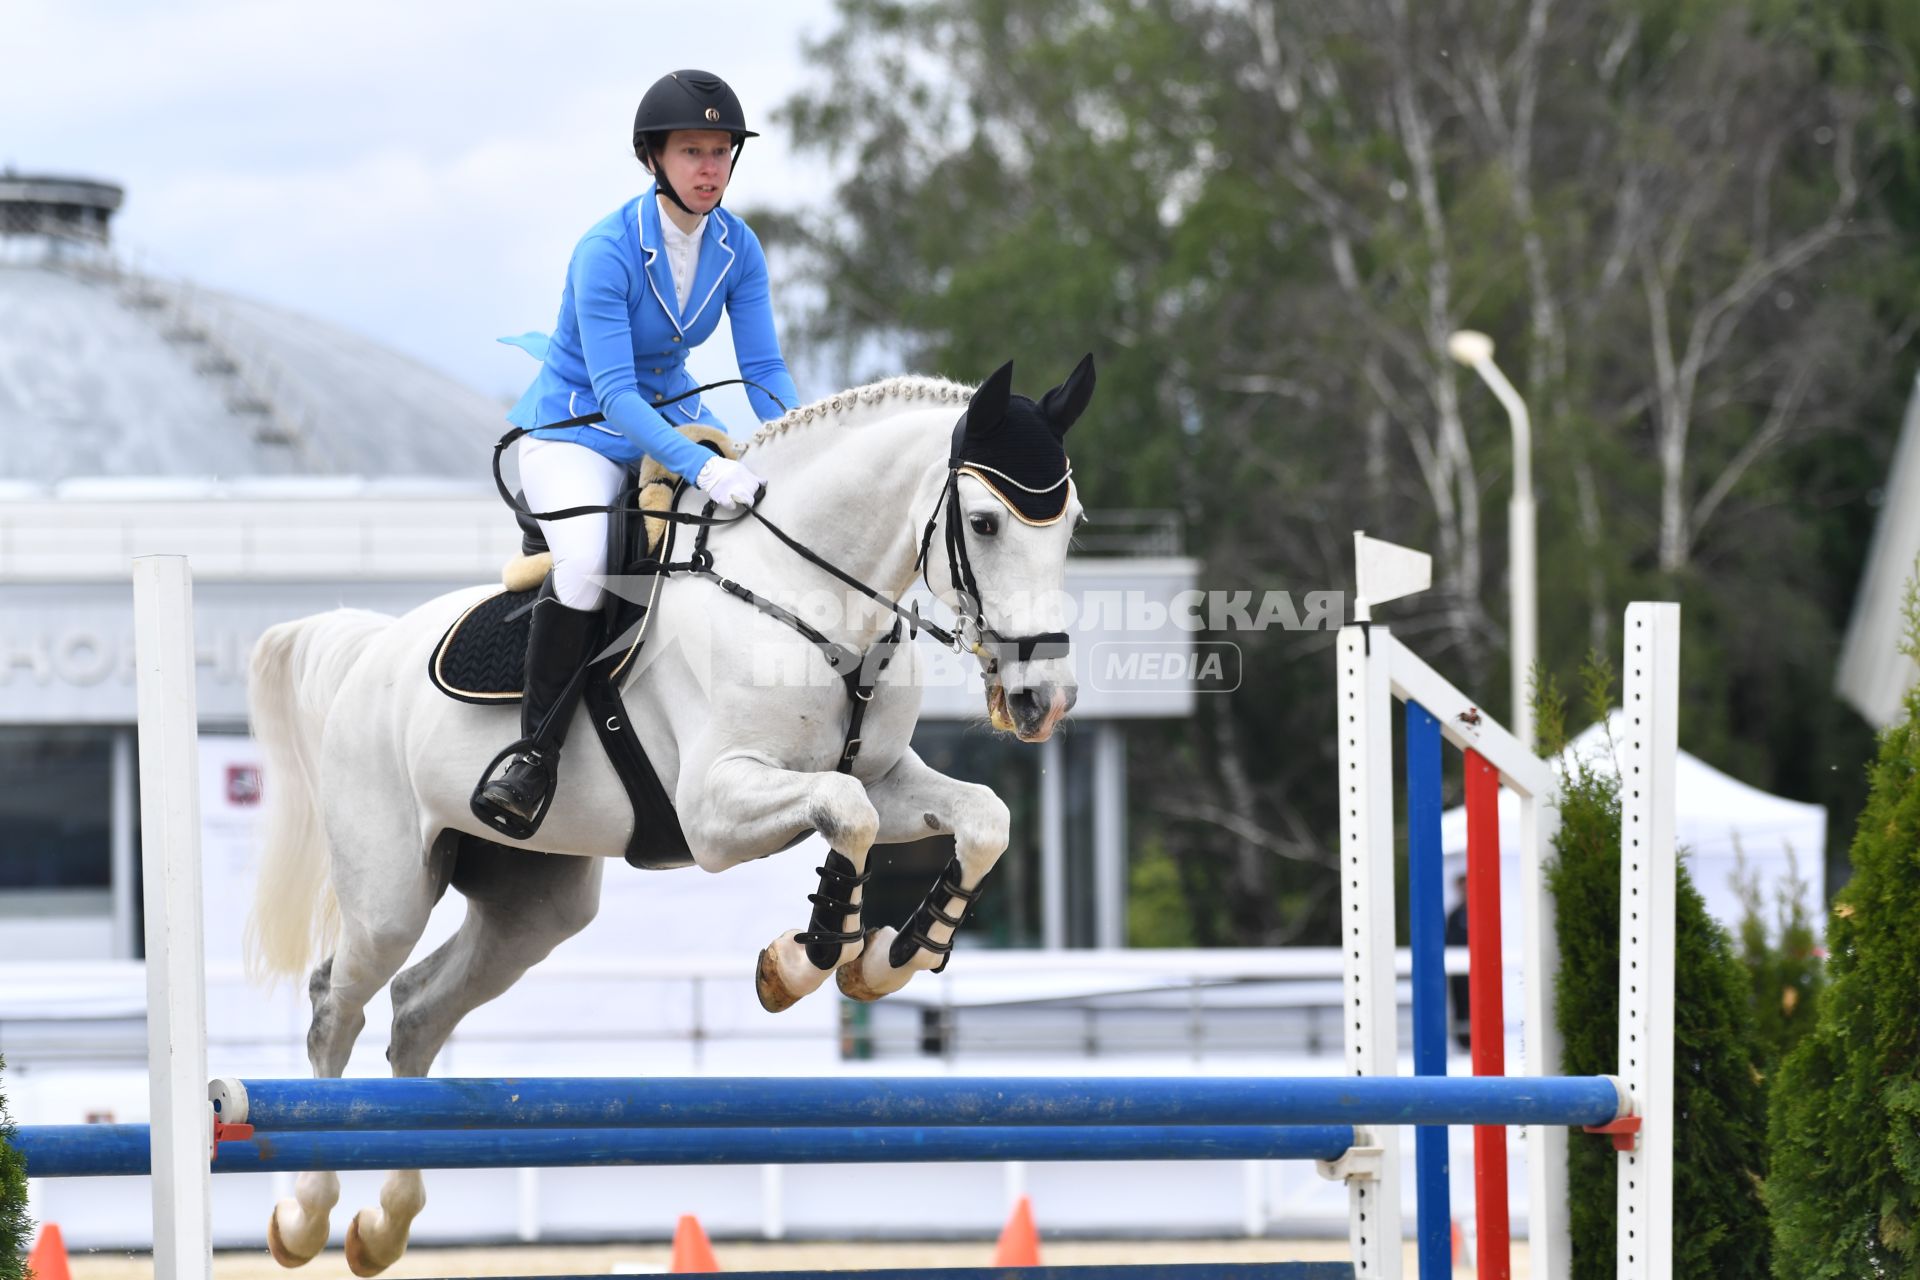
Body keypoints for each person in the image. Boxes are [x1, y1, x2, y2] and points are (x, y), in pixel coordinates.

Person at [472, 69, 799, 837]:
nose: (711, 168)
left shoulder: (736, 246)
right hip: (578, 430)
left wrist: (793, 442)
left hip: (674, 414)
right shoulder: (606, 250)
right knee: (586, 563)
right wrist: (705, 466)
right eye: (693, 151)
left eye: (722, 151)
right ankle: (534, 755)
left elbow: (763, 370)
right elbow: (616, 394)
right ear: (654, 158)